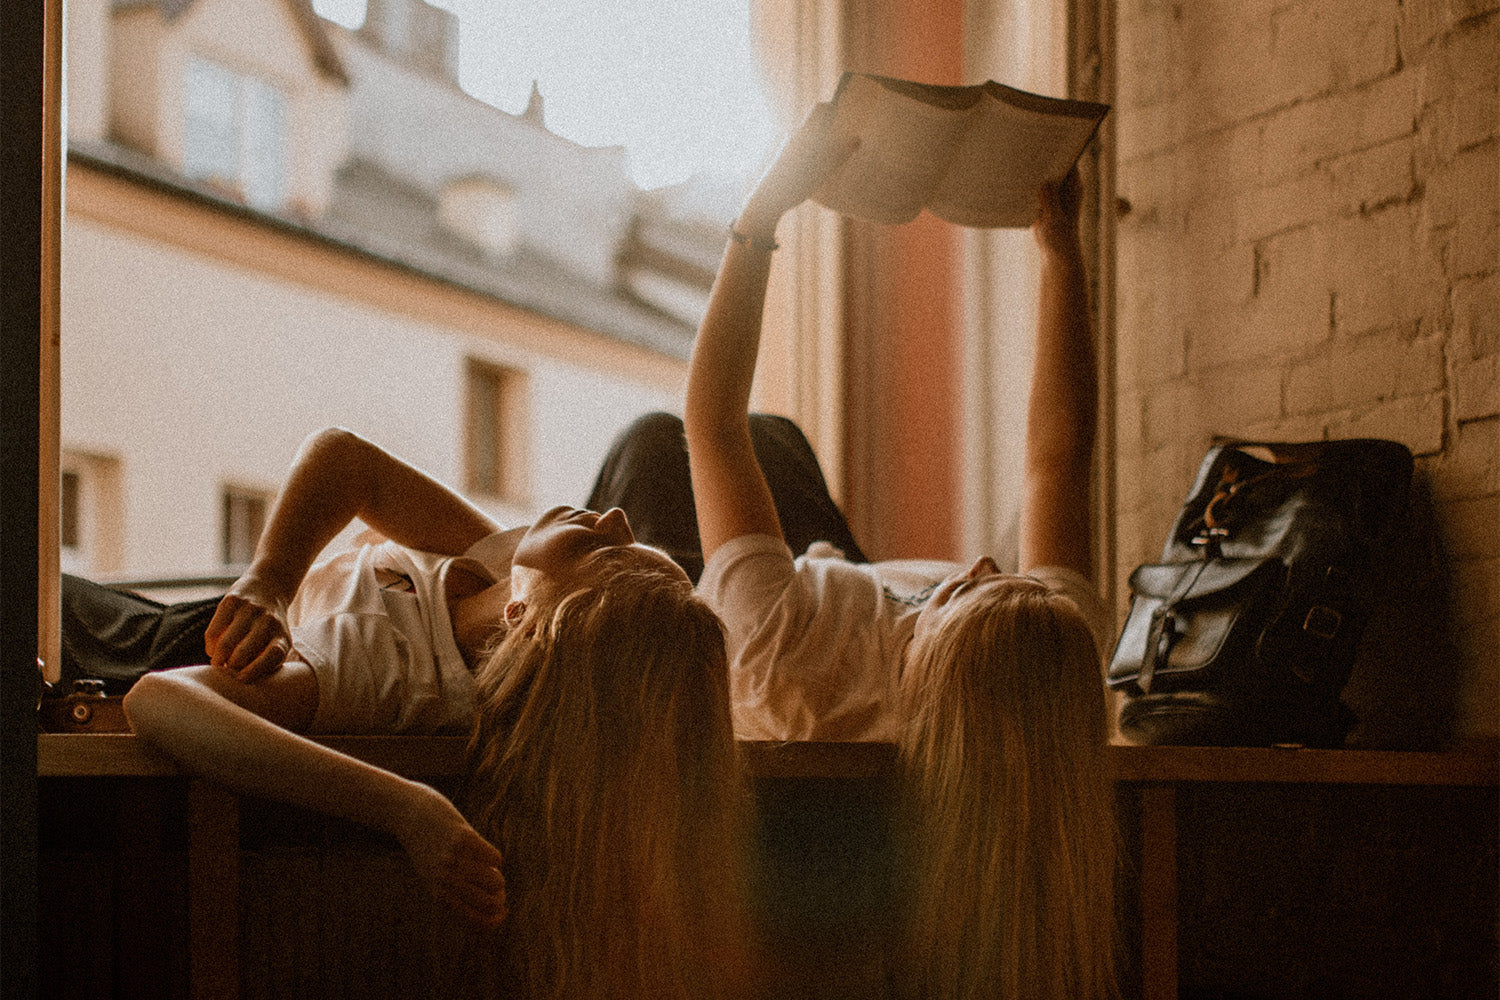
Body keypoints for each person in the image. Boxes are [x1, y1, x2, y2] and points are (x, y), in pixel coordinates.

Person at [679, 103, 1119, 999]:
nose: (986, 569)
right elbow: (1058, 459)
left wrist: (761, 218)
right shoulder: (1046, 643)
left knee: (674, 441)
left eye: (964, 595)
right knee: (787, 440)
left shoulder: (779, 660)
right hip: (835, 577)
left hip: (785, 617)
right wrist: (1061, 256)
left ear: (922, 656)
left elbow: (709, 423)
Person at [115, 427, 749, 1000]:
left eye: (606, 551)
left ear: (532, 626)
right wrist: (271, 579)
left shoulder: (387, 668)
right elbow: (348, 462)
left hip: (138, 643)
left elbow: (158, 701)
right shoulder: (513, 571)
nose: (613, 515)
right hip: (206, 605)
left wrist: (403, 806)